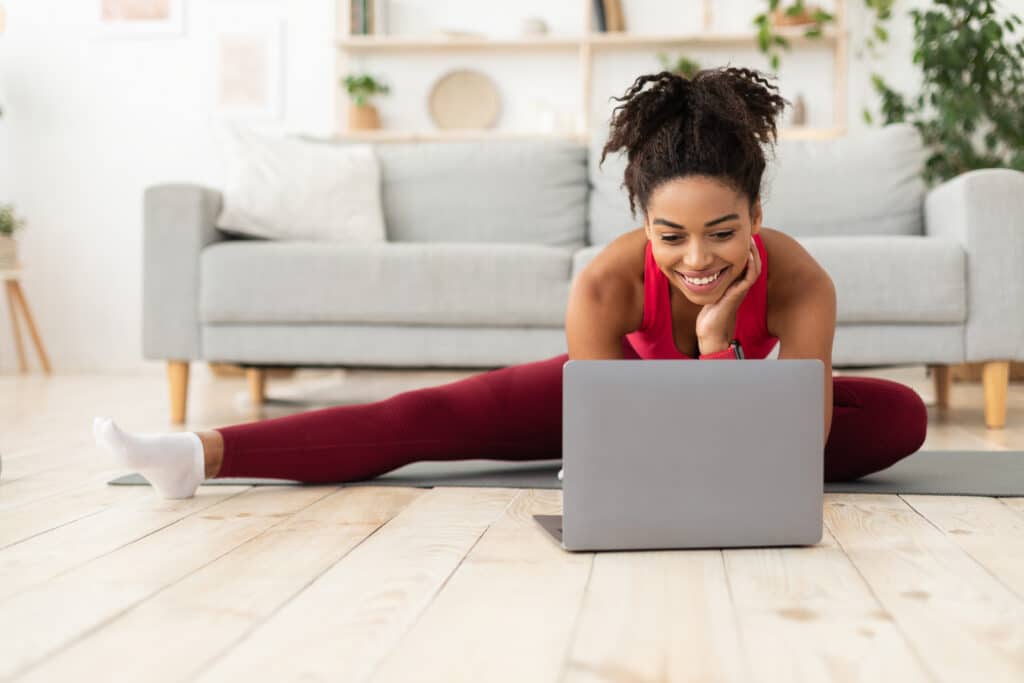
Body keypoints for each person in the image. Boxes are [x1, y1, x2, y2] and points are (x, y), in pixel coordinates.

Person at [94, 66, 927, 500]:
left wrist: (716, 351)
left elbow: (793, 448)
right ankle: (193, 455)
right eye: (670, 237)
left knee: (899, 414)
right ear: (642, 224)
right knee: (422, 417)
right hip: (615, 407)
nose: (699, 261)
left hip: (721, 410)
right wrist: (695, 412)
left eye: (723, 232)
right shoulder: (605, 287)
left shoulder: (801, 281)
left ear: (756, 214)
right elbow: (640, 447)